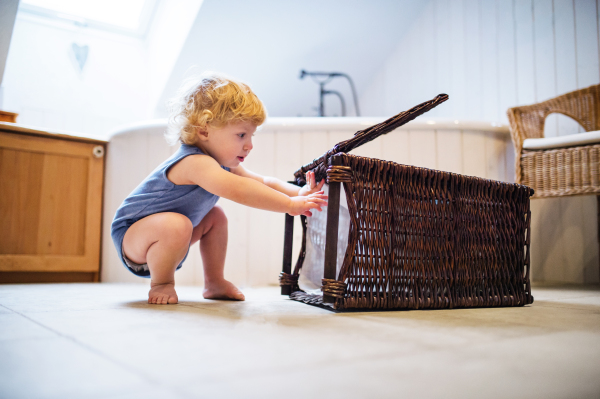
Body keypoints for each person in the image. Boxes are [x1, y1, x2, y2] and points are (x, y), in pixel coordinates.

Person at [111, 72, 327, 305]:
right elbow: (240, 190)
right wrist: (289, 205)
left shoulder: (221, 164)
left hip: (169, 235)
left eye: (251, 135)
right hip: (133, 238)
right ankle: (162, 283)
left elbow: (261, 182)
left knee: (216, 216)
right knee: (178, 223)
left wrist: (297, 192)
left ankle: (213, 281)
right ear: (204, 130)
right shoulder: (194, 163)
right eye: (241, 134)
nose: (249, 145)